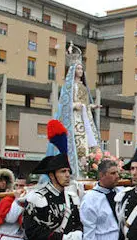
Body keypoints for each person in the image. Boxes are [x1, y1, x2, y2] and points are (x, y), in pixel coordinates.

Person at [48, 42, 100, 178]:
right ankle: (74, 171)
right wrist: (74, 106)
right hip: (74, 119)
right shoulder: (69, 87)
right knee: (78, 143)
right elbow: (64, 104)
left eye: (81, 69)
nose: (80, 71)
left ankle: (85, 171)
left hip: (84, 118)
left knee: (87, 144)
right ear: (72, 70)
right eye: (78, 69)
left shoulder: (83, 86)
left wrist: (91, 107)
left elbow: (85, 103)